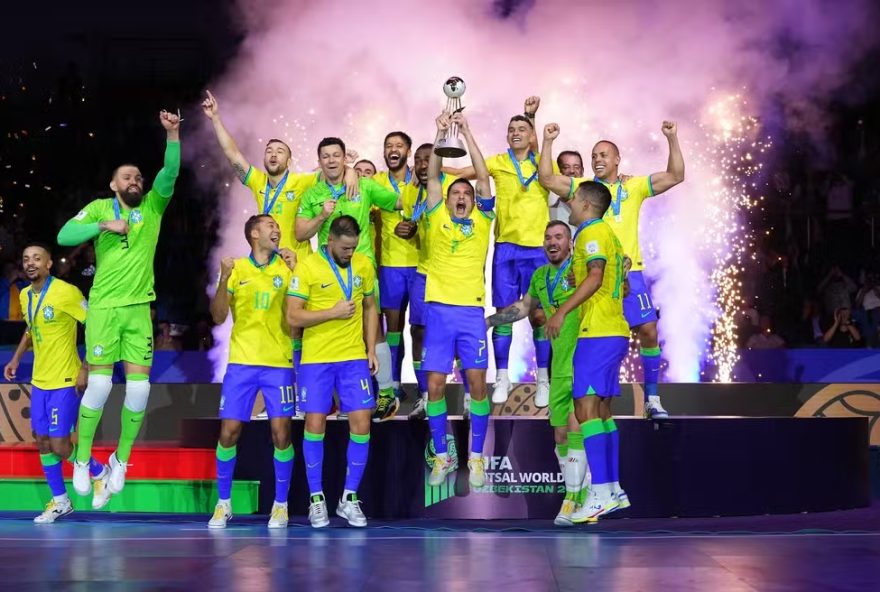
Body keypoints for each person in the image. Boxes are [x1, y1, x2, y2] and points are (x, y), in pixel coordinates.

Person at [201, 91, 358, 416]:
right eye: (269, 150)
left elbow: (335, 172)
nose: (273, 154)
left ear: (289, 160)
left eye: (280, 151)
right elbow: (233, 155)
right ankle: (280, 399)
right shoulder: (258, 182)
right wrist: (216, 118)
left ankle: (314, 400)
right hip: (269, 267)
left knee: (300, 329)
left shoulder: (302, 181)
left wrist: (353, 169)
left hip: (297, 265)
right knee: (278, 330)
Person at [56, 110, 181, 503]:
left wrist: (173, 134)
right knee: (98, 384)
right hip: (104, 310)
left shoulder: (153, 209)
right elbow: (63, 235)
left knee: (140, 390)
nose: (135, 181)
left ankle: (120, 460)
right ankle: (81, 460)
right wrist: (102, 227)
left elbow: (170, 173)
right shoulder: (97, 209)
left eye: (138, 177)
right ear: (113, 184)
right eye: (127, 177)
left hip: (139, 310)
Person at [538, 121, 685, 419]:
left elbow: (676, 176)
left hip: (631, 273)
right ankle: (585, 400)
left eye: (604, 155)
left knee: (649, 330)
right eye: (594, 156)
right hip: (593, 273)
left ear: (617, 159)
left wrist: (671, 137)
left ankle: (652, 399)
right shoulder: (584, 189)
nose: (597, 160)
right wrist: (548, 141)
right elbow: (545, 178)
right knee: (592, 338)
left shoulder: (633, 186)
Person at [445, 97, 555, 406]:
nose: (516, 133)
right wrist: (434, 165)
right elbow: (465, 171)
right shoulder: (496, 161)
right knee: (503, 316)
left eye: (522, 128)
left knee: (539, 314)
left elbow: (550, 170)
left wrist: (534, 118)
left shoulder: (543, 162)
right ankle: (503, 376)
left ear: (530, 134)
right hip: (506, 249)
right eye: (512, 129)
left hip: (538, 250)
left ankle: (543, 377)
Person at [486, 221, 589, 526]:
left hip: (581, 362)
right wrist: (487, 322)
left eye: (559, 237)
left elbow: (608, 275)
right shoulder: (541, 276)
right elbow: (522, 307)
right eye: (547, 238)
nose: (552, 242)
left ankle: (573, 500)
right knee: (559, 434)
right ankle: (581, 486)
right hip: (558, 368)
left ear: (570, 243)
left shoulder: (581, 270)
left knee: (574, 427)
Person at [296, 137, 403, 422]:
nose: (331, 160)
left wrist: (423, 180)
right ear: (319, 161)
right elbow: (299, 233)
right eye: (325, 156)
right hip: (325, 274)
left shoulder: (363, 185)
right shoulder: (312, 194)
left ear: (345, 158)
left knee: (374, 329)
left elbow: (398, 201)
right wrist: (321, 216)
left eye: (336, 156)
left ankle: (386, 393)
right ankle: (339, 401)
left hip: (361, 271)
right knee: (328, 328)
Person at [545, 180, 631, 523]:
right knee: (603, 412)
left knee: (585, 408)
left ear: (584, 204)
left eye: (573, 197)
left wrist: (562, 310)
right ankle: (611, 489)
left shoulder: (592, 233)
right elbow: (615, 277)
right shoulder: (605, 233)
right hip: (612, 331)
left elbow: (596, 276)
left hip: (596, 333)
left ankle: (599, 493)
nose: (569, 201)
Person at [287, 215, 379, 528]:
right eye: (344, 248)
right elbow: (293, 316)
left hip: (353, 357)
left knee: (362, 423)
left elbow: (370, 307)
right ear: (330, 241)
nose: (349, 254)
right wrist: (333, 312)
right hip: (316, 359)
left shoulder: (364, 265)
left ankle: (349, 498)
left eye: (353, 248)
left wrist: (370, 348)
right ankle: (316, 499)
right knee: (314, 424)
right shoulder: (308, 266)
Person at [3, 243, 106, 522]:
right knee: (42, 441)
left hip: (65, 378)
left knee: (60, 444)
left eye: (37, 258)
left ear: (49, 264)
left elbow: (95, 325)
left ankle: (99, 472)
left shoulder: (66, 292)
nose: (30, 263)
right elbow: (31, 328)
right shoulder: (25, 295)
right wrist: (15, 359)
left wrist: (86, 367)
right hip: (40, 380)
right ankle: (61, 501)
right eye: (26, 259)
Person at [207, 215, 297, 529]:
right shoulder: (237, 269)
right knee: (228, 433)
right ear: (254, 233)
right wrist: (223, 278)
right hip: (242, 364)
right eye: (270, 225)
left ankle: (281, 505)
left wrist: (296, 271)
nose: (277, 229)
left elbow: (301, 310)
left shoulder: (286, 268)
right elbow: (218, 317)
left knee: (281, 435)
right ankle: (223, 503)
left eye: (278, 225)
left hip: (278, 363)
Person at [422, 111, 494, 487]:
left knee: (478, 384)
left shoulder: (483, 220)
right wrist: (439, 134)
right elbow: (434, 176)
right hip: (437, 310)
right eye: (457, 194)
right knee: (434, 386)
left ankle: (477, 457)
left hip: (470, 312)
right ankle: (443, 456)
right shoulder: (436, 217)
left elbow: (483, 177)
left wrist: (466, 132)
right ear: (447, 201)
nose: (463, 196)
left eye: (467, 194)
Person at [400, 144, 459, 419]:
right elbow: (414, 224)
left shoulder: (455, 188)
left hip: (453, 273)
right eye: (419, 160)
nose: (423, 165)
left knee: (455, 333)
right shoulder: (410, 190)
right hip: (424, 271)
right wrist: (407, 231)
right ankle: (424, 396)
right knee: (418, 332)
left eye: (429, 160)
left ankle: (467, 393)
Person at [372, 132, 418, 403]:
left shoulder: (420, 179)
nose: (393, 149)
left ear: (408, 151)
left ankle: (425, 389)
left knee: (420, 328)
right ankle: (393, 382)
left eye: (399, 146)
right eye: (388, 145)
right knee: (393, 328)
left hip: (421, 264)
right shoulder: (375, 182)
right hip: (389, 266)